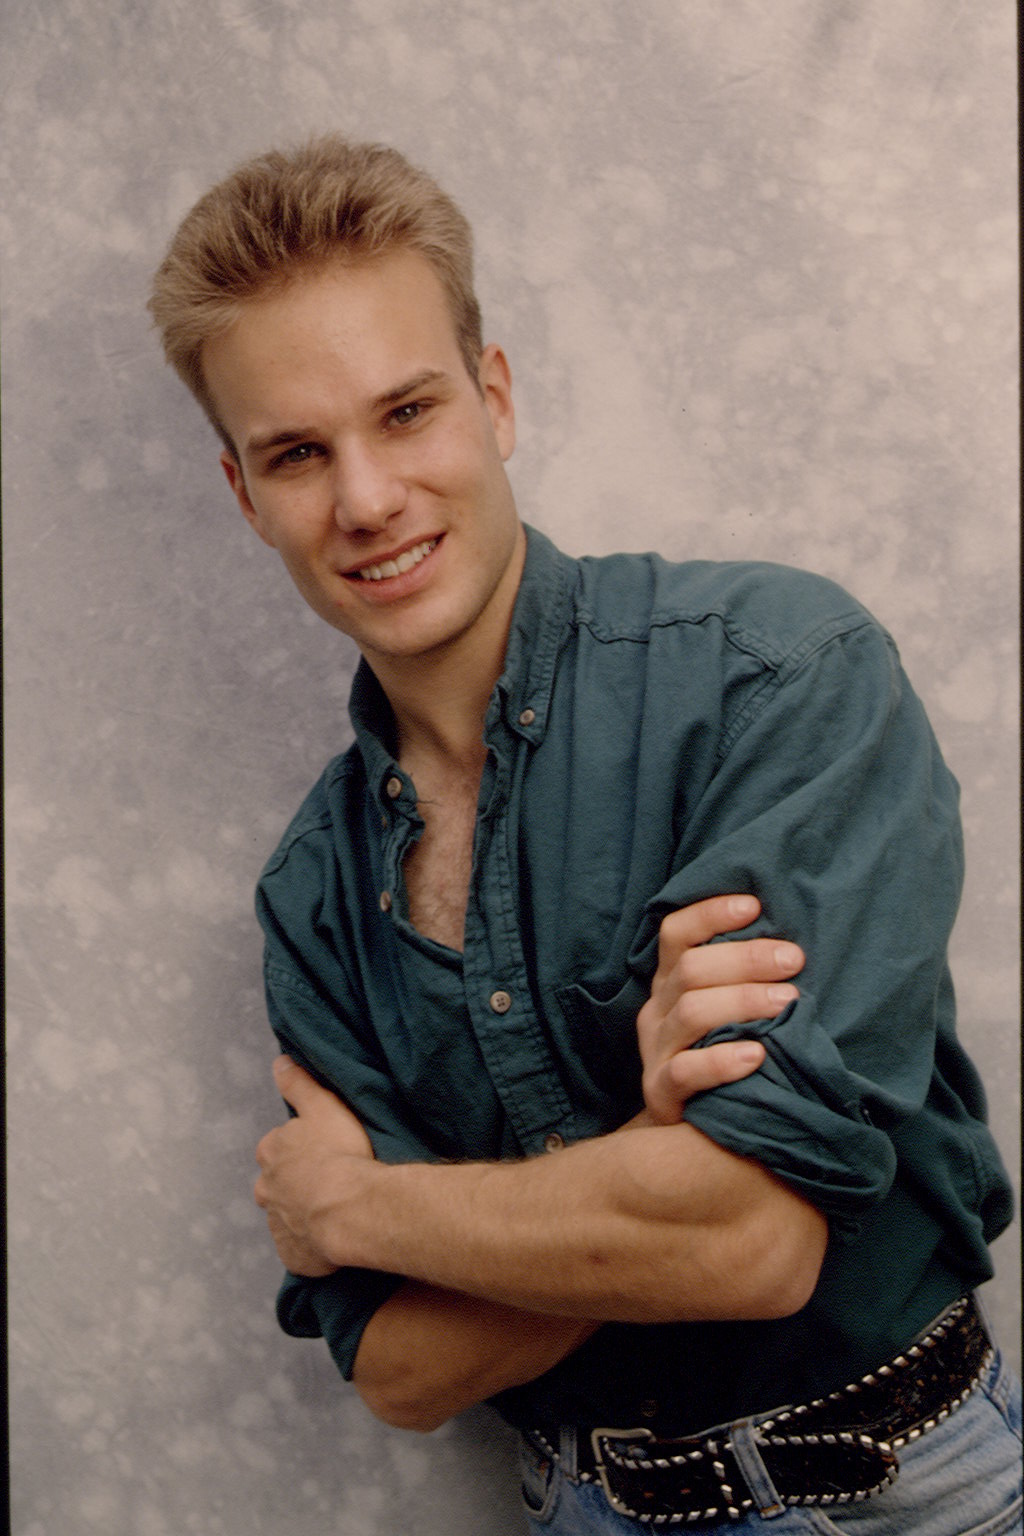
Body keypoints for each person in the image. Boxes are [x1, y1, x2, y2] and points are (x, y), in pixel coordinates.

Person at [149, 136, 1020, 1533]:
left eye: (408, 411)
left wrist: (358, 1214)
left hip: (909, 1499)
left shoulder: (776, 676)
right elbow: (405, 1370)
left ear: (493, 400)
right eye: (299, 453)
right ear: (246, 496)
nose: (366, 499)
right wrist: (650, 1141)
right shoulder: (313, 894)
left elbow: (751, 1240)